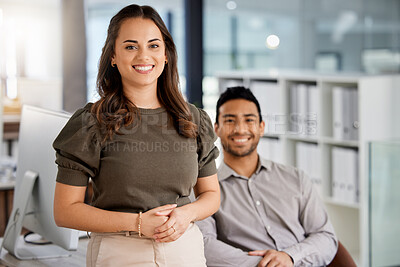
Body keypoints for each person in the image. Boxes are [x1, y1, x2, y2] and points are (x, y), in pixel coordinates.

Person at [53, 4, 220, 267]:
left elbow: (211, 194)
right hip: (119, 251)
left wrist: (187, 214)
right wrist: (139, 223)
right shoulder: (90, 122)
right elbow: (65, 211)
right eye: (131, 46)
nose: (144, 56)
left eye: (153, 45)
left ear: (166, 54)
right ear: (113, 56)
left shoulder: (193, 119)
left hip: (184, 251)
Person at [196, 86, 338, 267]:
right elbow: (206, 246)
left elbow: (326, 237)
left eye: (249, 120)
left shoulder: (296, 178)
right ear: (217, 129)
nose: (240, 129)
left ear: (261, 127)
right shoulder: (206, 189)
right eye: (230, 120)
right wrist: (267, 264)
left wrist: (289, 257)